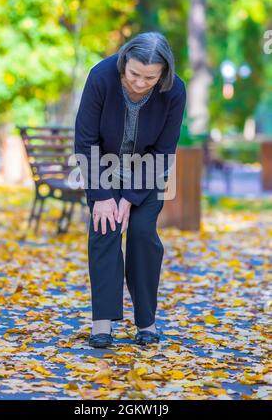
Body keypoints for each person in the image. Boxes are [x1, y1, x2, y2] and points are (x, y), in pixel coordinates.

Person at [74, 32, 186, 348]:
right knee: (104, 228)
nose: (139, 83)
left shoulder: (175, 91)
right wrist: (104, 196)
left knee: (141, 233)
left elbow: (164, 150)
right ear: (124, 62)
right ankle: (102, 323)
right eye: (134, 74)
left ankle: (146, 322)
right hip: (102, 167)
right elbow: (85, 140)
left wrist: (131, 198)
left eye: (149, 78)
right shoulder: (101, 77)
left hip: (147, 172)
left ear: (163, 73)